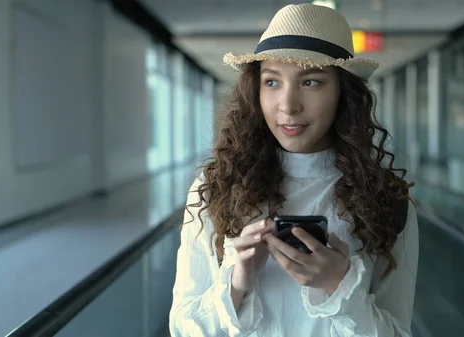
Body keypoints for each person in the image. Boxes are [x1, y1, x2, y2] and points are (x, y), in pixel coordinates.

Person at [169, 3, 418, 337]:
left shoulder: (386, 199)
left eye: (311, 82)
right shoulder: (215, 186)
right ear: (254, 91)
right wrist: (236, 285)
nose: (288, 105)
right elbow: (181, 327)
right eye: (272, 82)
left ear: (344, 93)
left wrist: (339, 287)